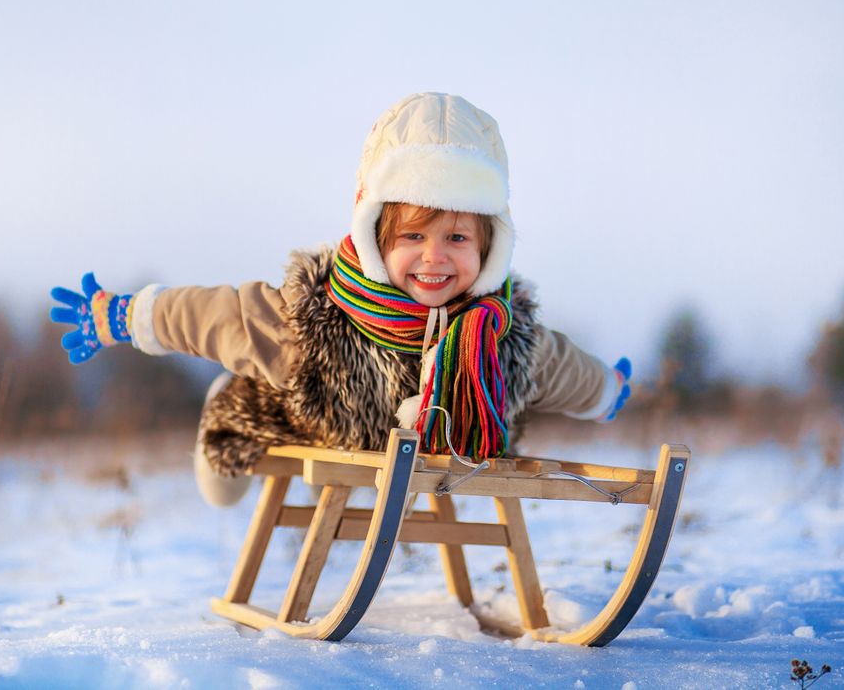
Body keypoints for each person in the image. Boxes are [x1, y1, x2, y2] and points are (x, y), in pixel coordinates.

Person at [51, 92, 631, 506]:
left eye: (457, 238)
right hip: (308, 418)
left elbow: (561, 368)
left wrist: (606, 390)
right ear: (378, 235)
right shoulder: (317, 313)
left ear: (490, 247)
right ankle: (221, 414)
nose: (435, 257)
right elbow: (219, 317)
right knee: (228, 468)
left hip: (428, 450)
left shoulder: (502, 330)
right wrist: (128, 315)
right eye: (413, 237)